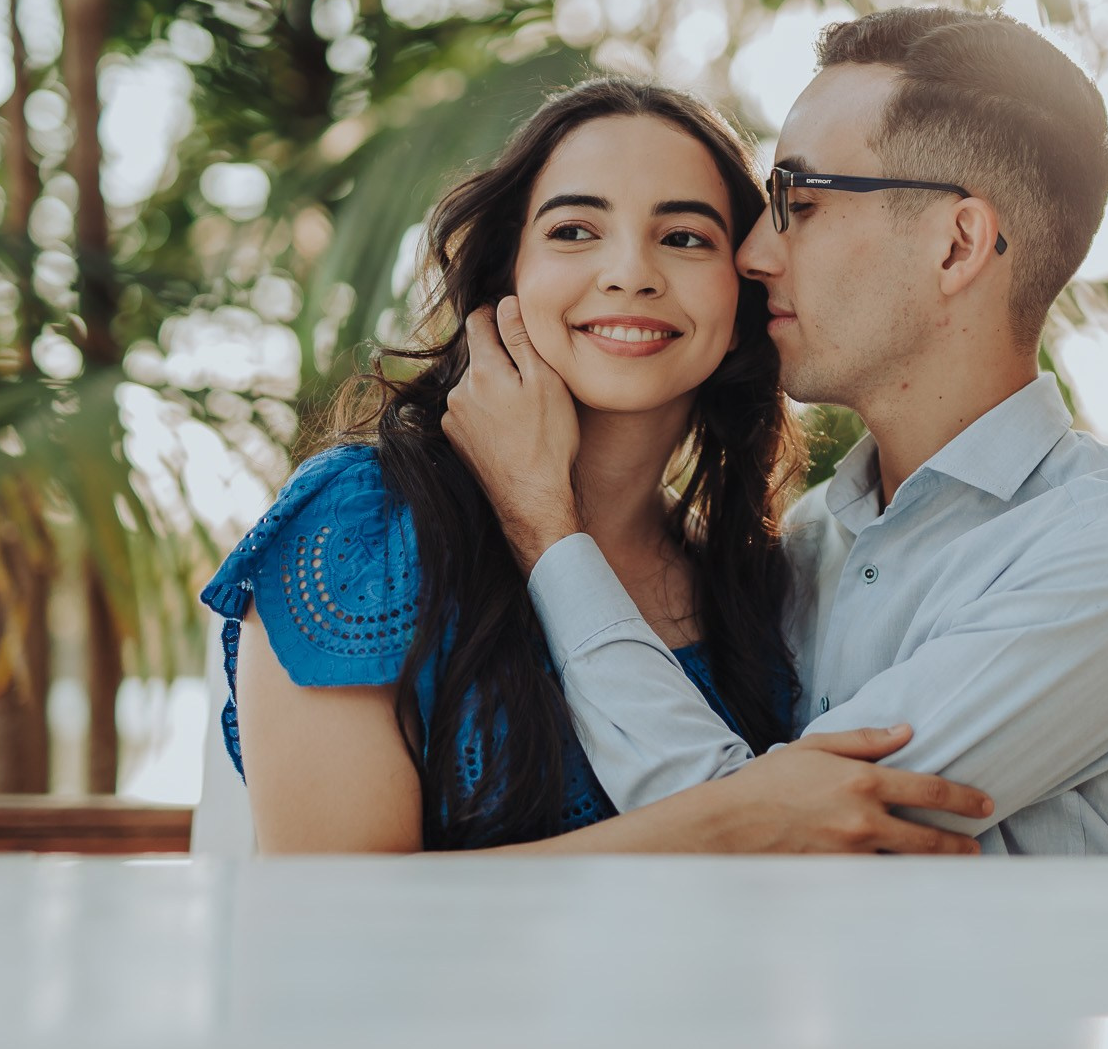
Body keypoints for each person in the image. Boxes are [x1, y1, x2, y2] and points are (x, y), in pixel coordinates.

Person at [447, 8, 1108, 855]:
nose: (752, 252)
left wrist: (545, 526)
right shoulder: (806, 546)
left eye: (800, 200)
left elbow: (762, 841)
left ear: (956, 243)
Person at [200, 76, 994, 853]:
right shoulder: (362, 522)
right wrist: (736, 820)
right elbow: (331, 918)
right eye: (574, 231)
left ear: (746, 287)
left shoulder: (759, 582)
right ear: (511, 268)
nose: (630, 273)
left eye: (684, 238)